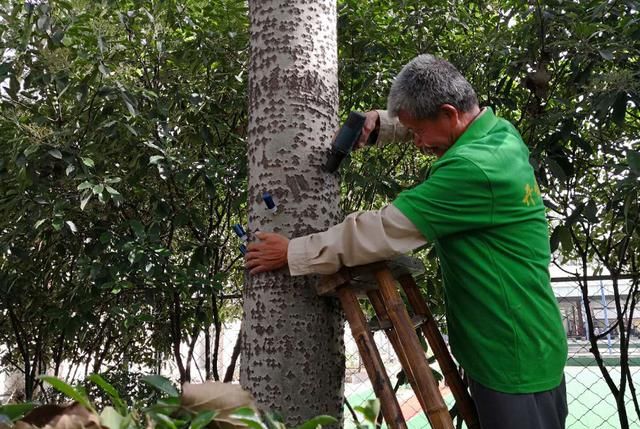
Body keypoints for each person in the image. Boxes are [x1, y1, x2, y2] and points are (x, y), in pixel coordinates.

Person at [245, 54, 568, 429]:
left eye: (417, 132)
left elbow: (382, 230)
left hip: (510, 354)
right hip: (528, 338)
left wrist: (292, 251)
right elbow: (440, 125)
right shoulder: (499, 134)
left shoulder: (471, 171)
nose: (416, 143)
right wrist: (381, 124)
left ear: (448, 114)